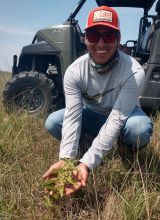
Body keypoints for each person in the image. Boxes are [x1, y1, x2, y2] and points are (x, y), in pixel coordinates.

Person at [43, 6, 153, 196]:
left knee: (139, 129)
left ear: (118, 39)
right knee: (54, 121)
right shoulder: (74, 71)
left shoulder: (134, 72)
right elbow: (72, 116)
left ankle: (123, 148)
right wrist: (67, 160)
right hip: (93, 115)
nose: (101, 43)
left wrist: (87, 163)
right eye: (94, 35)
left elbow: (117, 119)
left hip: (124, 117)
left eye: (109, 36)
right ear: (85, 39)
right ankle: (88, 143)